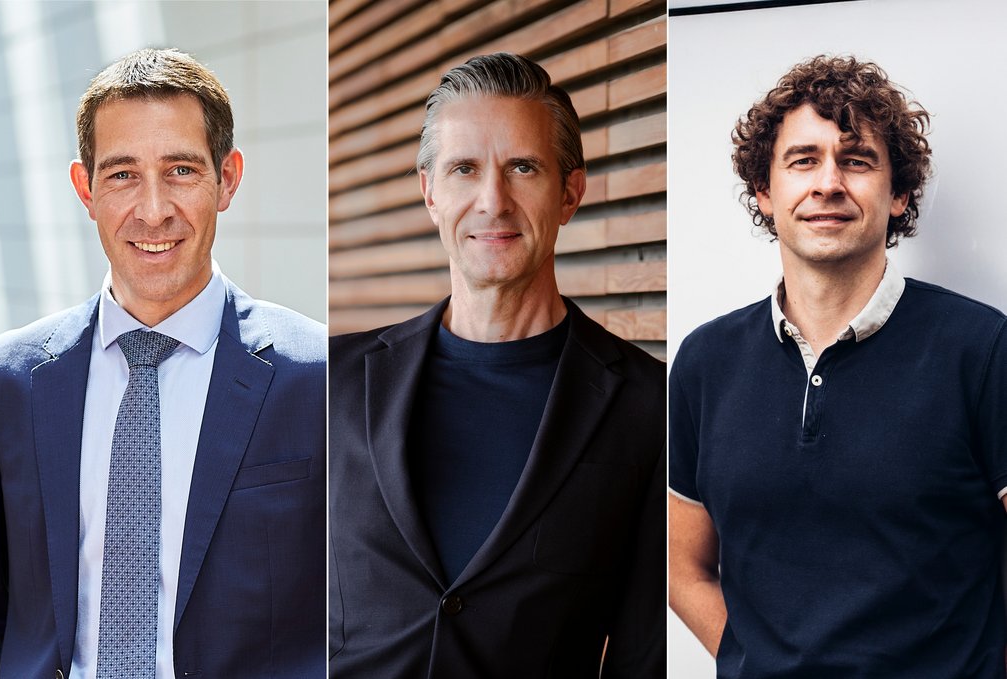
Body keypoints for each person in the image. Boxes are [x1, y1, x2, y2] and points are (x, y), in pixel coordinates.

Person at [0, 48, 325, 678]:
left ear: (228, 178)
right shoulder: (7, 384)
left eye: (180, 170)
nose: (152, 210)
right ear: (85, 189)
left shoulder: (319, 378)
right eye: (121, 175)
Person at [669, 54, 1007, 678]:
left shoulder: (982, 349)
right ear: (765, 193)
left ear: (898, 193)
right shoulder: (703, 362)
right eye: (803, 160)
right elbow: (679, 563)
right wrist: (752, 662)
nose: (828, 183)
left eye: (856, 160)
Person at [328, 53, 665, 677]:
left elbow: (645, 657)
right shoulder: (328, 382)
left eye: (523, 167)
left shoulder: (649, 404)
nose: (493, 200)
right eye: (464, 169)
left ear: (570, 192)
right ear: (430, 192)